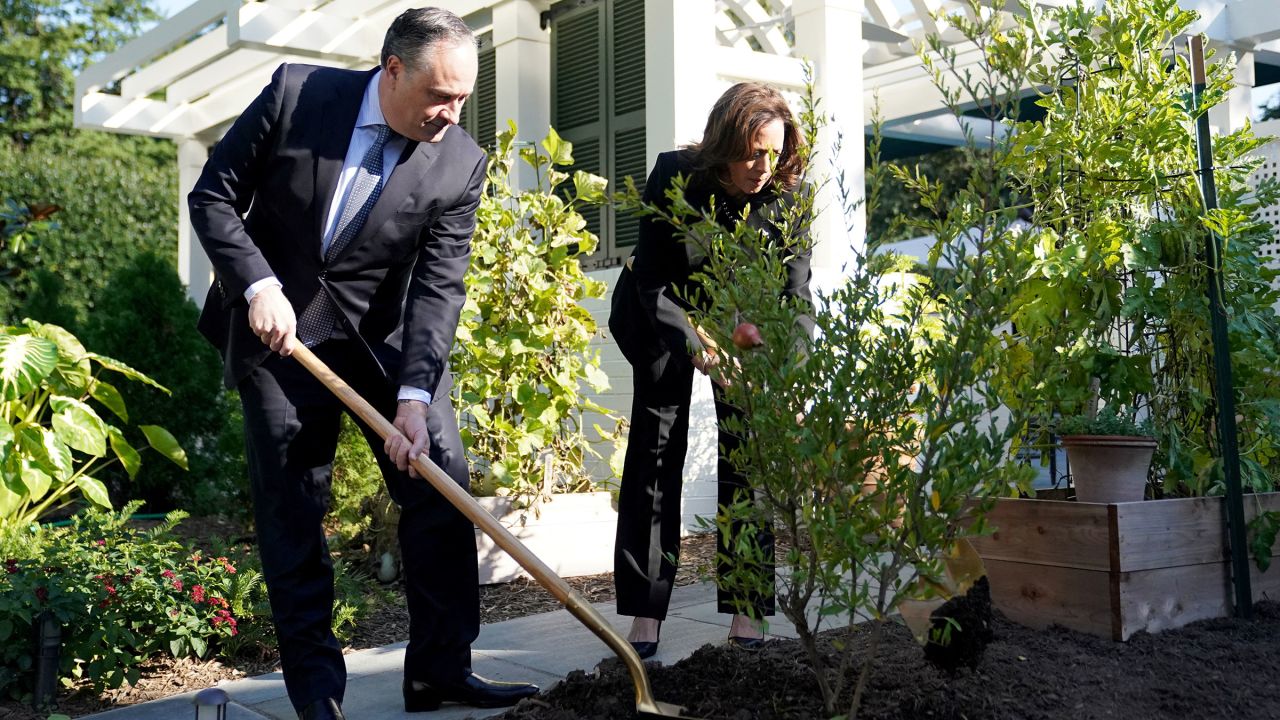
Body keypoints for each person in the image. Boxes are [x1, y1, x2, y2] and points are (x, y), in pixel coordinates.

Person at [189, 8, 539, 720]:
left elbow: (440, 286)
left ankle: (439, 672)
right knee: (296, 510)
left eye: (464, 97)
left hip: (381, 344)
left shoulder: (461, 163)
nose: (451, 112)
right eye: (440, 95)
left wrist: (415, 395)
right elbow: (213, 196)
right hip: (278, 339)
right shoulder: (296, 95)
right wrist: (257, 284)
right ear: (393, 71)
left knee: (442, 483)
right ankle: (319, 694)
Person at [608, 82, 814, 659]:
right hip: (662, 314)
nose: (762, 167)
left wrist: (789, 375)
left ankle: (748, 613)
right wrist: (696, 345)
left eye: (773, 153)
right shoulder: (676, 175)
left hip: (744, 324)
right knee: (656, 450)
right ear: (724, 143)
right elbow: (650, 281)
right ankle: (646, 614)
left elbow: (796, 298)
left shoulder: (789, 196)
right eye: (751, 153)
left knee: (746, 459)